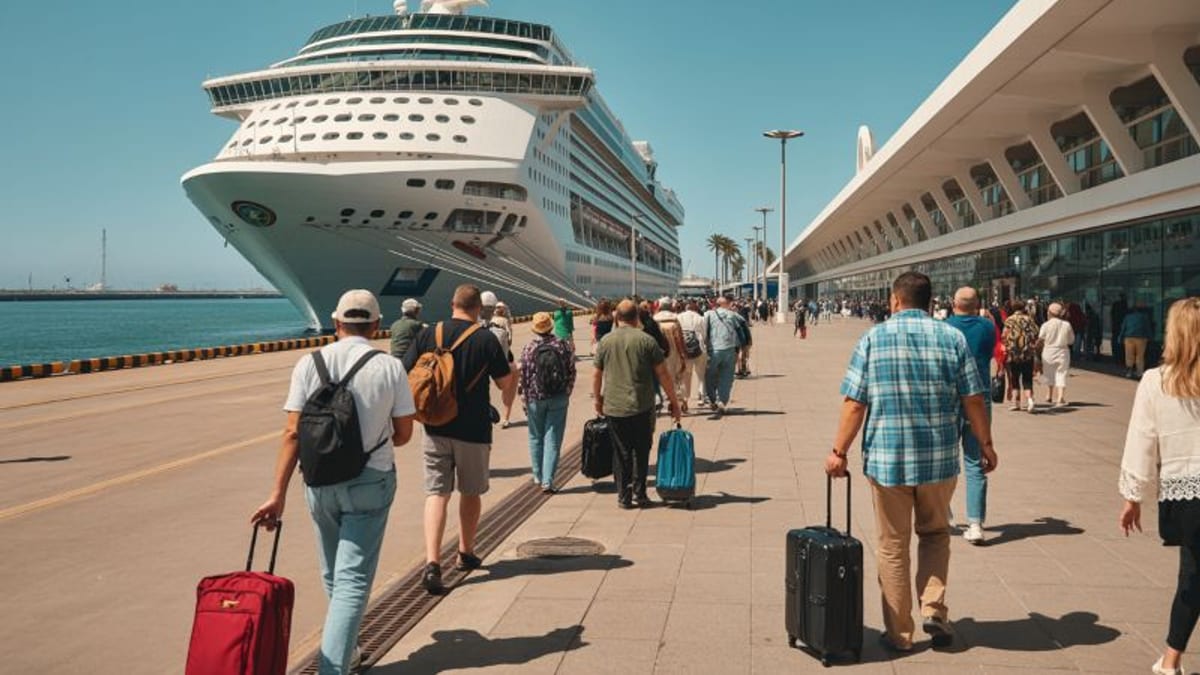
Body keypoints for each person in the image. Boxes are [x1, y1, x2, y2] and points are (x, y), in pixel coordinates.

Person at [827, 272, 996, 653]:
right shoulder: (952, 338)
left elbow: (855, 403)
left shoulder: (873, 338)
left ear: (894, 300)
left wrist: (838, 452)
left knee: (892, 545)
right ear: (931, 302)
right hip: (939, 461)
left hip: (888, 461)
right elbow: (973, 397)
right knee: (935, 535)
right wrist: (985, 443)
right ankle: (933, 609)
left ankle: (900, 633)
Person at [251, 289, 415, 675]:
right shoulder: (390, 366)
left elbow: (292, 433)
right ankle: (333, 668)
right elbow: (404, 434)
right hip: (370, 481)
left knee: (333, 573)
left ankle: (348, 651)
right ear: (377, 325)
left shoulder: (309, 363)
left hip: (319, 482)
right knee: (352, 580)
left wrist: (277, 494)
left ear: (336, 322)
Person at [402, 284, 516, 595]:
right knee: (470, 492)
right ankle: (465, 552)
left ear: (452, 304)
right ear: (479, 308)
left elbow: (404, 371)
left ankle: (432, 562)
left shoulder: (429, 333)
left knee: (437, 494)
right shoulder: (485, 338)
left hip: (434, 426)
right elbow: (504, 382)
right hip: (473, 430)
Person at [1118, 298, 1200, 675]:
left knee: (1192, 578)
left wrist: (1132, 496)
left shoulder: (1156, 381)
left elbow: (1141, 439)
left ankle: (1171, 661)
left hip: (1186, 495)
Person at [593, 299, 682, 508]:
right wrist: (674, 401)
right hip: (642, 405)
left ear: (617, 317)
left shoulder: (606, 341)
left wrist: (598, 399)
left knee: (621, 451)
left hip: (614, 406)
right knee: (641, 450)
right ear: (636, 318)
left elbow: (597, 374)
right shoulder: (647, 341)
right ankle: (640, 493)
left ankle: (623, 495)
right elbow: (663, 374)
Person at [945, 287, 996, 545]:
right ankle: (976, 524)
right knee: (975, 461)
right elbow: (990, 351)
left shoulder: (944, 327)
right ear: (977, 304)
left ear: (953, 303)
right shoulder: (987, 327)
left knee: (946, 458)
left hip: (950, 398)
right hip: (980, 397)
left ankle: (944, 512)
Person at [519, 312, 576, 493]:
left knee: (535, 436)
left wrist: (524, 399)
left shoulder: (528, 348)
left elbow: (523, 376)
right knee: (553, 438)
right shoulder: (562, 345)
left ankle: (537, 475)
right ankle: (548, 481)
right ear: (551, 327)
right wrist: (567, 391)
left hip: (535, 398)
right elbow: (571, 370)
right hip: (558, 396)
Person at [703, 295, 742, 417]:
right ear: (727, 304)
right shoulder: (733, 315)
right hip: (730, 349)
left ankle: (712, 399)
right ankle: (722, 401)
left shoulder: (708, 314)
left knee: (710, 376)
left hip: (713, 350)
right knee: (727, 377)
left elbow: (704, 332)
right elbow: (741, 329)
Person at [654, 297, 691, 414]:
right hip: (674, 352)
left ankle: (667, 400)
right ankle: (681, 400)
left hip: (659, 353)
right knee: (678, 377)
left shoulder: (655, 319)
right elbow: (679, 338)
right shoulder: (675, 319)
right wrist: (683, 354)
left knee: (661, 377)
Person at [1002, 300, 1040, 413]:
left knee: (1015, 378)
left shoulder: (1009, 320)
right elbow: (1036, 333)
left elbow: (1004, 335)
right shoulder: (1029, 319)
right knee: (1027, 379)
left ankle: (1016, 403)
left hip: (1014, 354)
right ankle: (1030, 400)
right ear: (1024, 308)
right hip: (1027, 353)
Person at [1038, 302, 1075, 407]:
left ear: (1049, 313)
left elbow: (1041, 339)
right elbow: (1071, 340)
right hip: (1062, 351)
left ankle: (1049, 395)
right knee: (1061, 374)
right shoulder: (1067, 325)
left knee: (1048, 373)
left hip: (1048, 351)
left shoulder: (1045, 325)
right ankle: (1060, 398)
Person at [488, 302, 517, 428]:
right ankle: (506, 418)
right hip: (504, 358)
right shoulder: (506, 321)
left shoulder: (489, 321)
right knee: (509, 386)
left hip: (488, 356)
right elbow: (510, 340)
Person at [677, 300, 708, 408]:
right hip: (699, 348)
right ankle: (701, 396)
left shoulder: (679, 317)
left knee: (686, 375)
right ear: (696, 308)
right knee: (701, 374)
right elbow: (704, 334)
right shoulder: (701, 318)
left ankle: (685, 399)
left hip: (685, 349)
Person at [1119, 300, 1154, 379]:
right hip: (1141, 338)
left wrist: (1120, 337)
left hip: (1129, 337)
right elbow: (1147, 328)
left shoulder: (1128, 317)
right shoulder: (1145, 317)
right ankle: (1139, 373)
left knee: (1129, 355)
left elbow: (1123, 327)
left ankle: (1129, 372)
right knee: (1140, 356)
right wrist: (1150, 337)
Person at [1112, 293, 1129, 367]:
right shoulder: (1125, 305)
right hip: (1123, 327)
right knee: (1122, 345)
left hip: (1116, 326)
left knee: (1116, 343)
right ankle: (1121, 359)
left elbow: (1112, 314)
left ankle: (1117, 359)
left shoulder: (1116, 304)